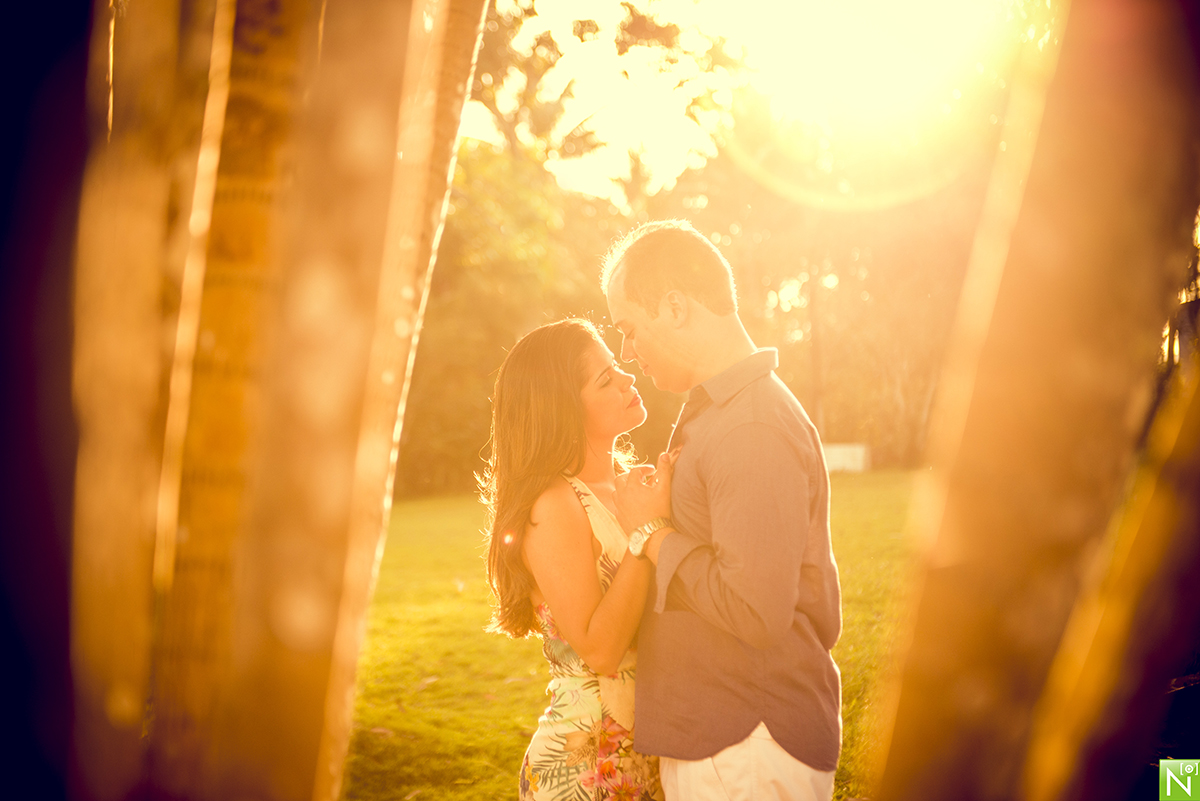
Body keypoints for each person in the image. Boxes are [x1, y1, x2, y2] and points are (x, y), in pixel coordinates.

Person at [602, 220, 842, 801]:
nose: (628, 354)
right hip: (725, 741)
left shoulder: (751, 425)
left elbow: (755, 611)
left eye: (630, 329)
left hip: (747, 743)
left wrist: (654, 535)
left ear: (676, 307)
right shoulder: (720, 412)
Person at [482, 318, 665, 801]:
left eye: (615, 367)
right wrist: (646, 532)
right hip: (587, 768)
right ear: (564, 410)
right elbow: (601, 650)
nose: (627, 377)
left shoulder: (625, 484)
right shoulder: (555, 505)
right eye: (605, 379)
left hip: (649, 757)